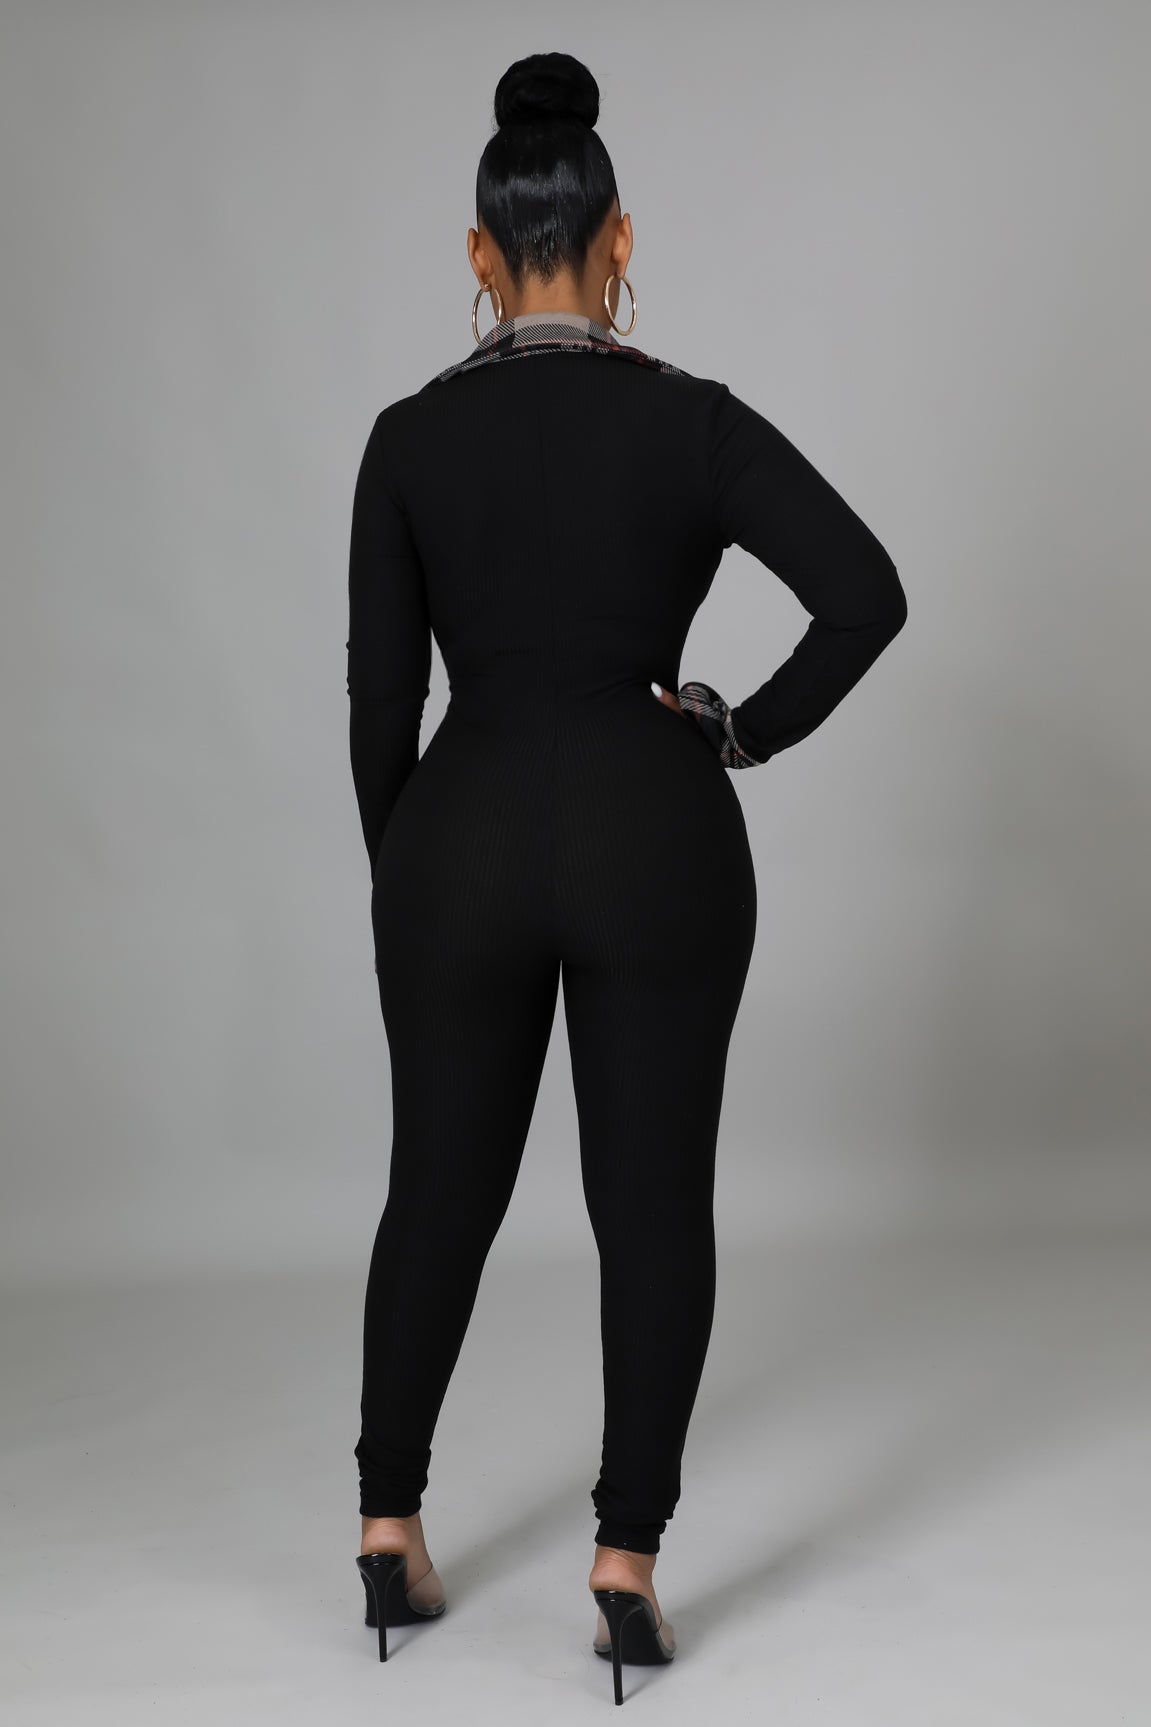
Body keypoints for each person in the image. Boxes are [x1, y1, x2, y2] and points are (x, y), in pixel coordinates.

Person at [346, 50, 907, 1698]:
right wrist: (737, 730)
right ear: (619, 241)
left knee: (435, 1191)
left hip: (460, 835)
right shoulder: (692, 422)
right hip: (655, 837)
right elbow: (864, 594)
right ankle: (626, 1562)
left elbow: (382, 704)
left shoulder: (406, 441)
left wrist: (409, 872)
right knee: (650, 1204)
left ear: (478, 253)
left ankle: (387, 1526)